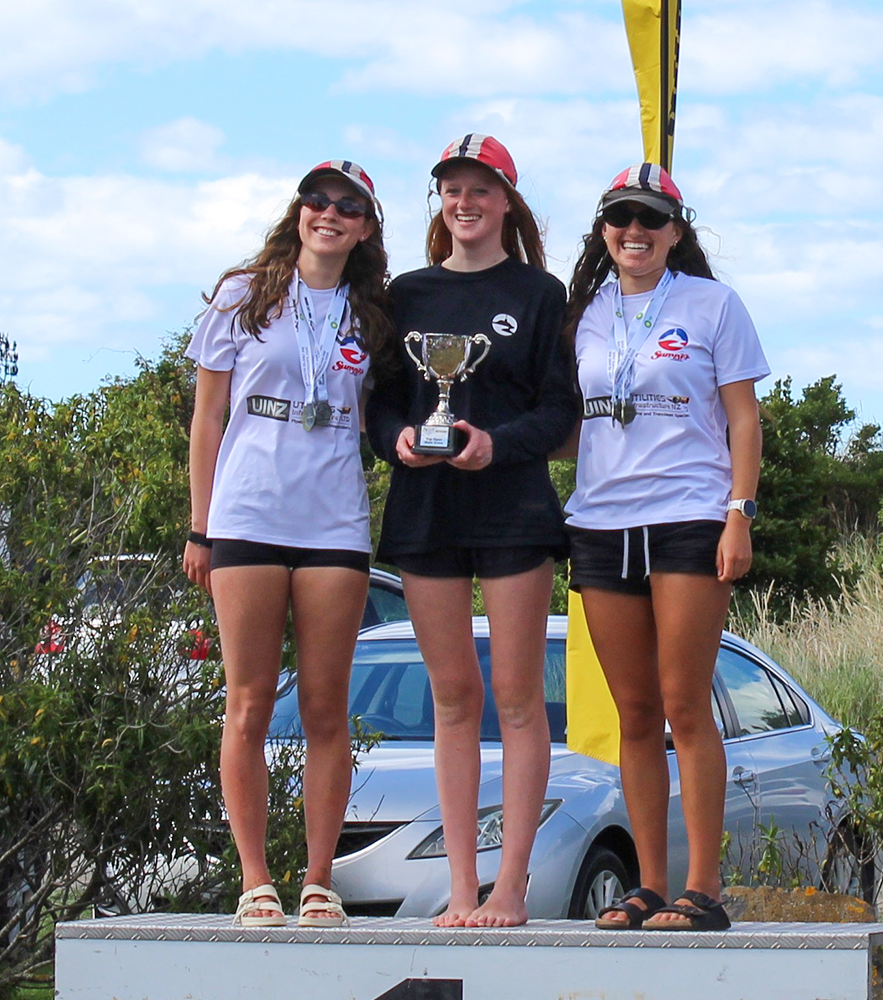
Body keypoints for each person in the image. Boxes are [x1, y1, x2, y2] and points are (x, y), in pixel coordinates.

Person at [366, 134, 579, 927]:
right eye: (453, 190)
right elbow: (383, 399)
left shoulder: (540, 292)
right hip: (426, 511)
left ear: (506, 203)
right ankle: (461, 889)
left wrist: (497, 444)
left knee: (519, 700)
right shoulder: (406, 293)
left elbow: (560, 409)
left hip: (514, 509)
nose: (465, 203)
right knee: (455, 698)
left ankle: (511, 886)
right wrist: (394, 438)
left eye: (480, 191)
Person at [184, 160, 389, 928]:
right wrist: (199, 526)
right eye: (316, 199)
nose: (327, 213)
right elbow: (207, 418)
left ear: (365, 227)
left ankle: (318, 879)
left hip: (333, 522)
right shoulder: (245, 294)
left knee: (326, 708)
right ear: (298, 211)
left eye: (346, 206)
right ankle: (254, 879)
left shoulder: (372, 317)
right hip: (247, 518)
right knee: (247, 702)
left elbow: (381, 417)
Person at [563, 165, 768, 931]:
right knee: (634, 713)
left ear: (676, 230)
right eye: (619, 218)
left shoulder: (713, 304)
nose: (634, 231)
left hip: (689, 517)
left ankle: (702, 889)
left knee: (685, 704)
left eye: (649, 218)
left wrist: (738, 512)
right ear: (604, 231)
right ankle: (649, 886)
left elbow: (743, 419)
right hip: (600, 523)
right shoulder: (583, 313)